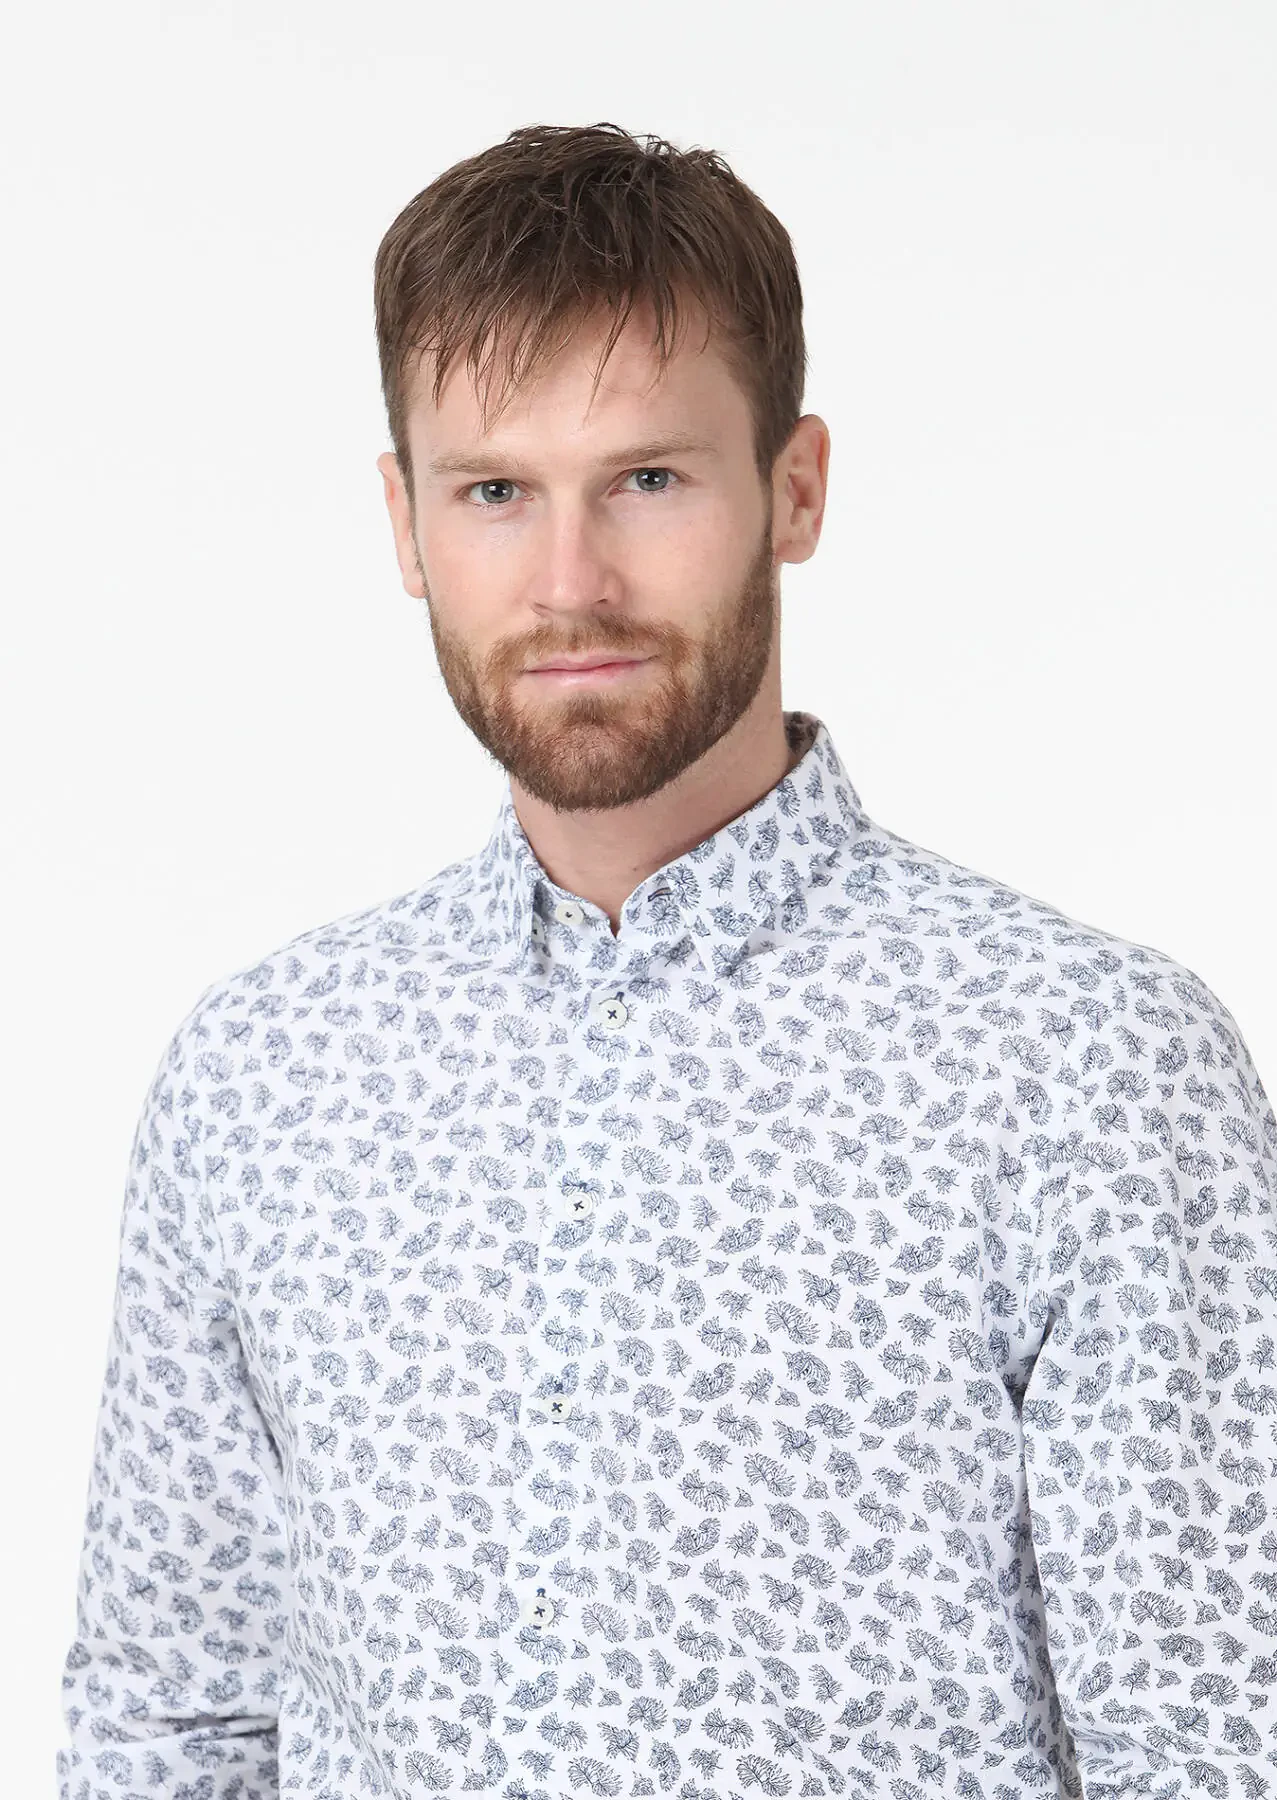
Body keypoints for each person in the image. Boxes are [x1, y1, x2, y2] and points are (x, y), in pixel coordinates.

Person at [58, 121, 1276, 1800]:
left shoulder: (1087, 1069)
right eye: (495, 492)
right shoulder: (261, 1078)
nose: (571, 585)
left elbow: (1217, 1751)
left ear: (796, 488)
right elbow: (167, 1726)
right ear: (406, 524)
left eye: (647, 479)